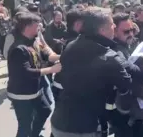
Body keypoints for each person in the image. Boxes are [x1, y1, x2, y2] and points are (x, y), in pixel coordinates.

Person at [50, 9, 132, 137]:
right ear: (102, 30)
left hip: (59, 122)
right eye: (112, 24)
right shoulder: (110, 58)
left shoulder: (70, 46)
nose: (115, 27)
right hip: (85, 129)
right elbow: (126, 87)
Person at [7, 12, 62, 137]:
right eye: (37, 26)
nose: (40, 29)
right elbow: (26, 72)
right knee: (24, 126)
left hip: (36, 89)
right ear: (27, 27)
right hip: (22, 94)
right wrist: (51, 70)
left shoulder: (35, 40)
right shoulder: (18, 48)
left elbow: (48, 54)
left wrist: (64, 57)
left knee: (45, 110)